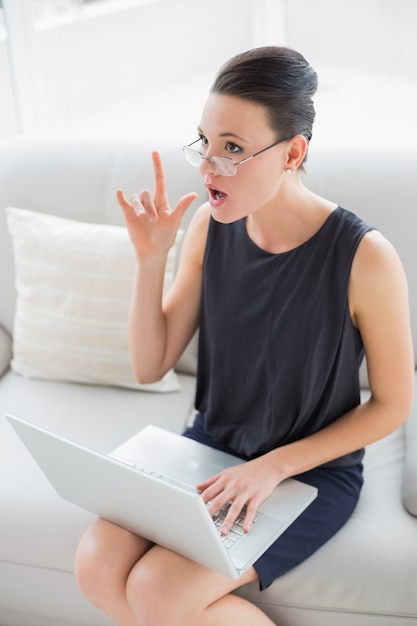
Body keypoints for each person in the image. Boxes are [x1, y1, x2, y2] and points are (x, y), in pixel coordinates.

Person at [75, 46, 414, 626]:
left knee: (159, 592)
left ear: (293, 153)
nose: (209, 167)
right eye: (204, 142)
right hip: (210, 448)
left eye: (232, 148)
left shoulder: (365, 258)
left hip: (308, 471)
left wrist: (272, 467)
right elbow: (149, 366)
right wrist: (150, 259)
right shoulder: (211, 225)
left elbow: (393, 404)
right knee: (96, 565)